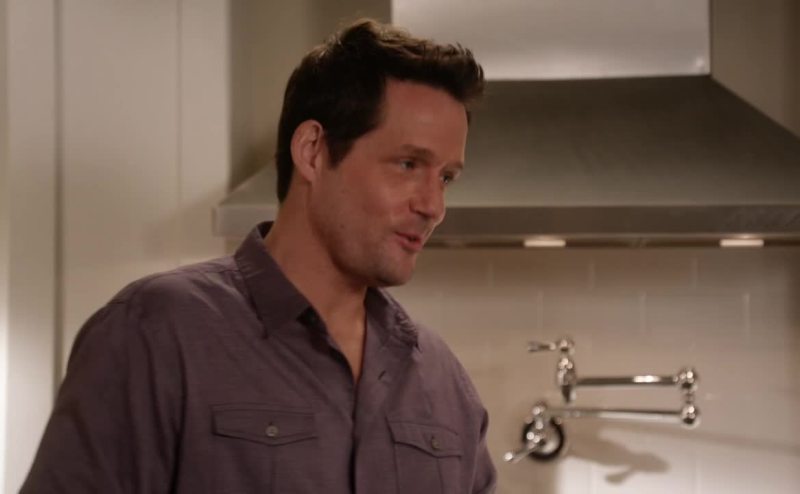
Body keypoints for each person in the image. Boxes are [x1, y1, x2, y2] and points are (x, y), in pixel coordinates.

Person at [22, 18, 495, 493]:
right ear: (313, 151)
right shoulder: (157, 333)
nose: (433, 207)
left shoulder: (442, 379)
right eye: (408, 164)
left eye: (446, 178)